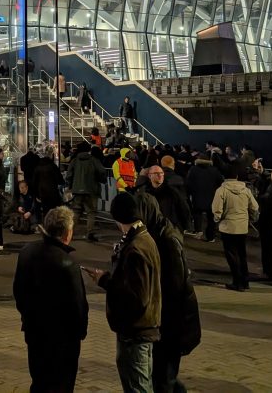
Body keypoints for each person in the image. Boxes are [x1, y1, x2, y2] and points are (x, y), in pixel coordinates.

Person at [86, 192, 162, 393]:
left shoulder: (136, 247)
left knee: (138, 385)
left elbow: (137, 296)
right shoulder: (142, 238)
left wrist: (105, 280)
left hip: (136, 329)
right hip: (139, 327)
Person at [135, 187, 202, 393]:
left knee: (164, 377)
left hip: (169, 320)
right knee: (163, 376)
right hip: (164, 319)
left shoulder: (165, 240)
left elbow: (173, 287)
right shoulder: (157, 233)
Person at [13, 207, 86, 392]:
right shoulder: (67, 264)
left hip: (34, 331)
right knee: (61, 384)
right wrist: (80, 331)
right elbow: (78, 305)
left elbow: (19, 291)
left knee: (39, 381)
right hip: (62, 339)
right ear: (67, 233)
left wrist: (27, 316)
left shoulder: (27, 252)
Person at [212, 165, 259, 290]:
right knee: (242, 254)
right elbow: (254, 207)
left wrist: (217, 220)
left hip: (227, 227)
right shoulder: (246, 190)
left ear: (224, 177)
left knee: (232, 255)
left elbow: (217, 209)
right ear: (237, 177)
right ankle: (245, 281)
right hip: (242, 226)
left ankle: (237, 282)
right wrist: (251, 219)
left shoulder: (221, 190)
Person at [67, 142, 107, 242]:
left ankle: (69, 234)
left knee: (76, 212)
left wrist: (71, 186)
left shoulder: (75, 161)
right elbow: (102, 172)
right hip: (91, 190)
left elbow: (69, 175)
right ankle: (90, 234)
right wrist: (100, 179)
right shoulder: (94, 160)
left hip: (77, 191)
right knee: (91, 212)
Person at [143, 164, 191, 234]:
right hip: (151, 229)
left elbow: (183, 208)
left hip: (170, 229)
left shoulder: (172, 192)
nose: (160, 176)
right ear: (150, 176)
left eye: (162, 173)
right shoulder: (145, 193)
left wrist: (184, 227)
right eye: (156, 173)